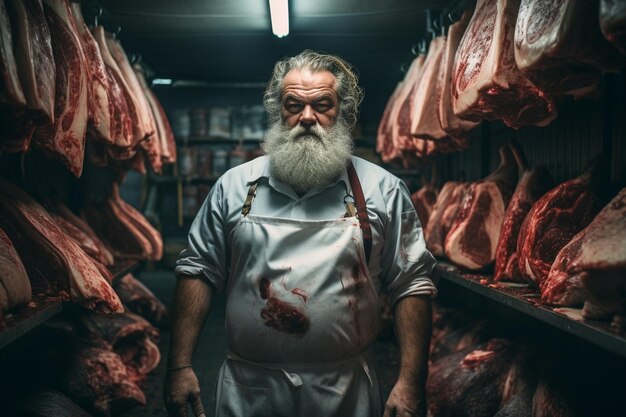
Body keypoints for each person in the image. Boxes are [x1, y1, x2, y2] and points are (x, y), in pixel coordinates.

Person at [163, 50, 437, 417]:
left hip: (343, 391)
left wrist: (410, 382)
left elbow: (412, 284)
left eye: (322, 104)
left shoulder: (381, 190)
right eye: (294, 104)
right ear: (279, 111)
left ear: (343, 112)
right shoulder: (235, 186)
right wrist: (179, 366)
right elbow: (198, 270)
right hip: (250, 389)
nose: (308, 117)